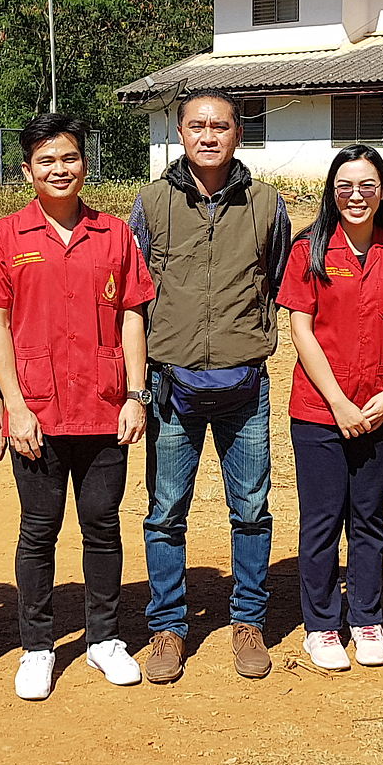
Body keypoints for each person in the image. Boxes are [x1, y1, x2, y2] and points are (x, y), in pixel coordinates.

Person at [0, 114, 155, 700]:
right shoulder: (4, 238)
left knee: (103, 526)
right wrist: (14, 405)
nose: (61, 169)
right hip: (38, 411)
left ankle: (105, 638)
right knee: (39, 530)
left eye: (70, 158)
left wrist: (135, 393)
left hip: (105, 408)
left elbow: (133, 313)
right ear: (27, 169)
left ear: (85, 163)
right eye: (47, 160)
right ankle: (36, 646)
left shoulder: (114, 235)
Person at [128, 90, 292, 683]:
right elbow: (135, 295)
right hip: (172, 387)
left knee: (250, 511)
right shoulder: (150, 205)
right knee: (166, 513)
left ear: (237, 134)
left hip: (243, 386)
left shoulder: (268, 206)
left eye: (219, 126)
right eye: (196, 125)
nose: (207, 136)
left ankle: (248, 620)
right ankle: (167, 628)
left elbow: (273, 279)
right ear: (180, 132)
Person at [276, 145, 383, 671]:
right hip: (319, 410)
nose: (356, 197)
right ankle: (321, 626)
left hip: (379, 407)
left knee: (367, 517)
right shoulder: (308, 249)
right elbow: (301, 330)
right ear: (332, 194)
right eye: (345, 188)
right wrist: (337, 401)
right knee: (320, 520)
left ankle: (366, 619)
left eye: (367, 186)